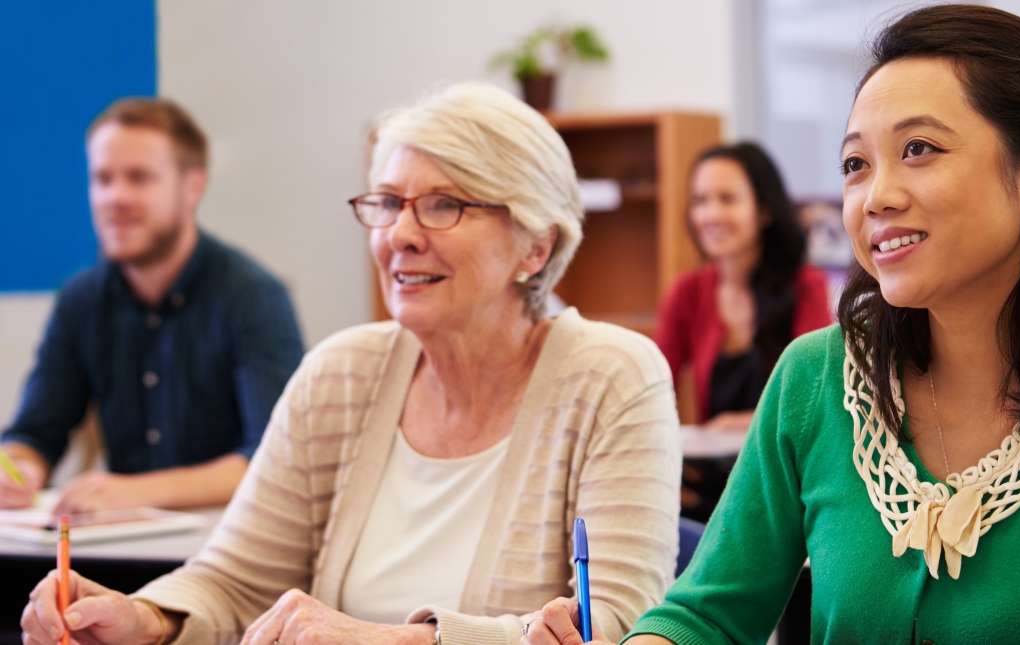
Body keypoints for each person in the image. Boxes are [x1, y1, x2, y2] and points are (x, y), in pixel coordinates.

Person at [525, 5, 1020, 645]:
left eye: (920, 150)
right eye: (854, 164)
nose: (877, 197)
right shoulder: (816, 378)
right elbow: (709, 615)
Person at [21, 82, 681, 645]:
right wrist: (142, 617)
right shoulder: (339, 374)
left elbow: (619, 627)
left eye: (445, 204)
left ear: (536, 245)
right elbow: (234, 578)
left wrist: (385, 638)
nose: (400, 233)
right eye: (388, 202)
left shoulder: (612, 377)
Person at [0, 98, 304, 514]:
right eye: (103, 179)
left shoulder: (252, 296)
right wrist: (18, 468)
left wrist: (136, 490)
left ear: (192, 186)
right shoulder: (81, 299)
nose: (115, 197)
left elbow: (275, 460)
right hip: (119, 547)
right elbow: (36, 432)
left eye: (139, 178)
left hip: (224, 551)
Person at [654, 143, 832, 521]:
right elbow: (651, 385)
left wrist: (747, 421)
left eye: (727, 199)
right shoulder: (688, 292)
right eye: (700, 200)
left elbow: (817, 396)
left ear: (764, 210)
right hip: (714, 487)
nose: (710, 214)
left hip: (789, 484)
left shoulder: (806, 287)